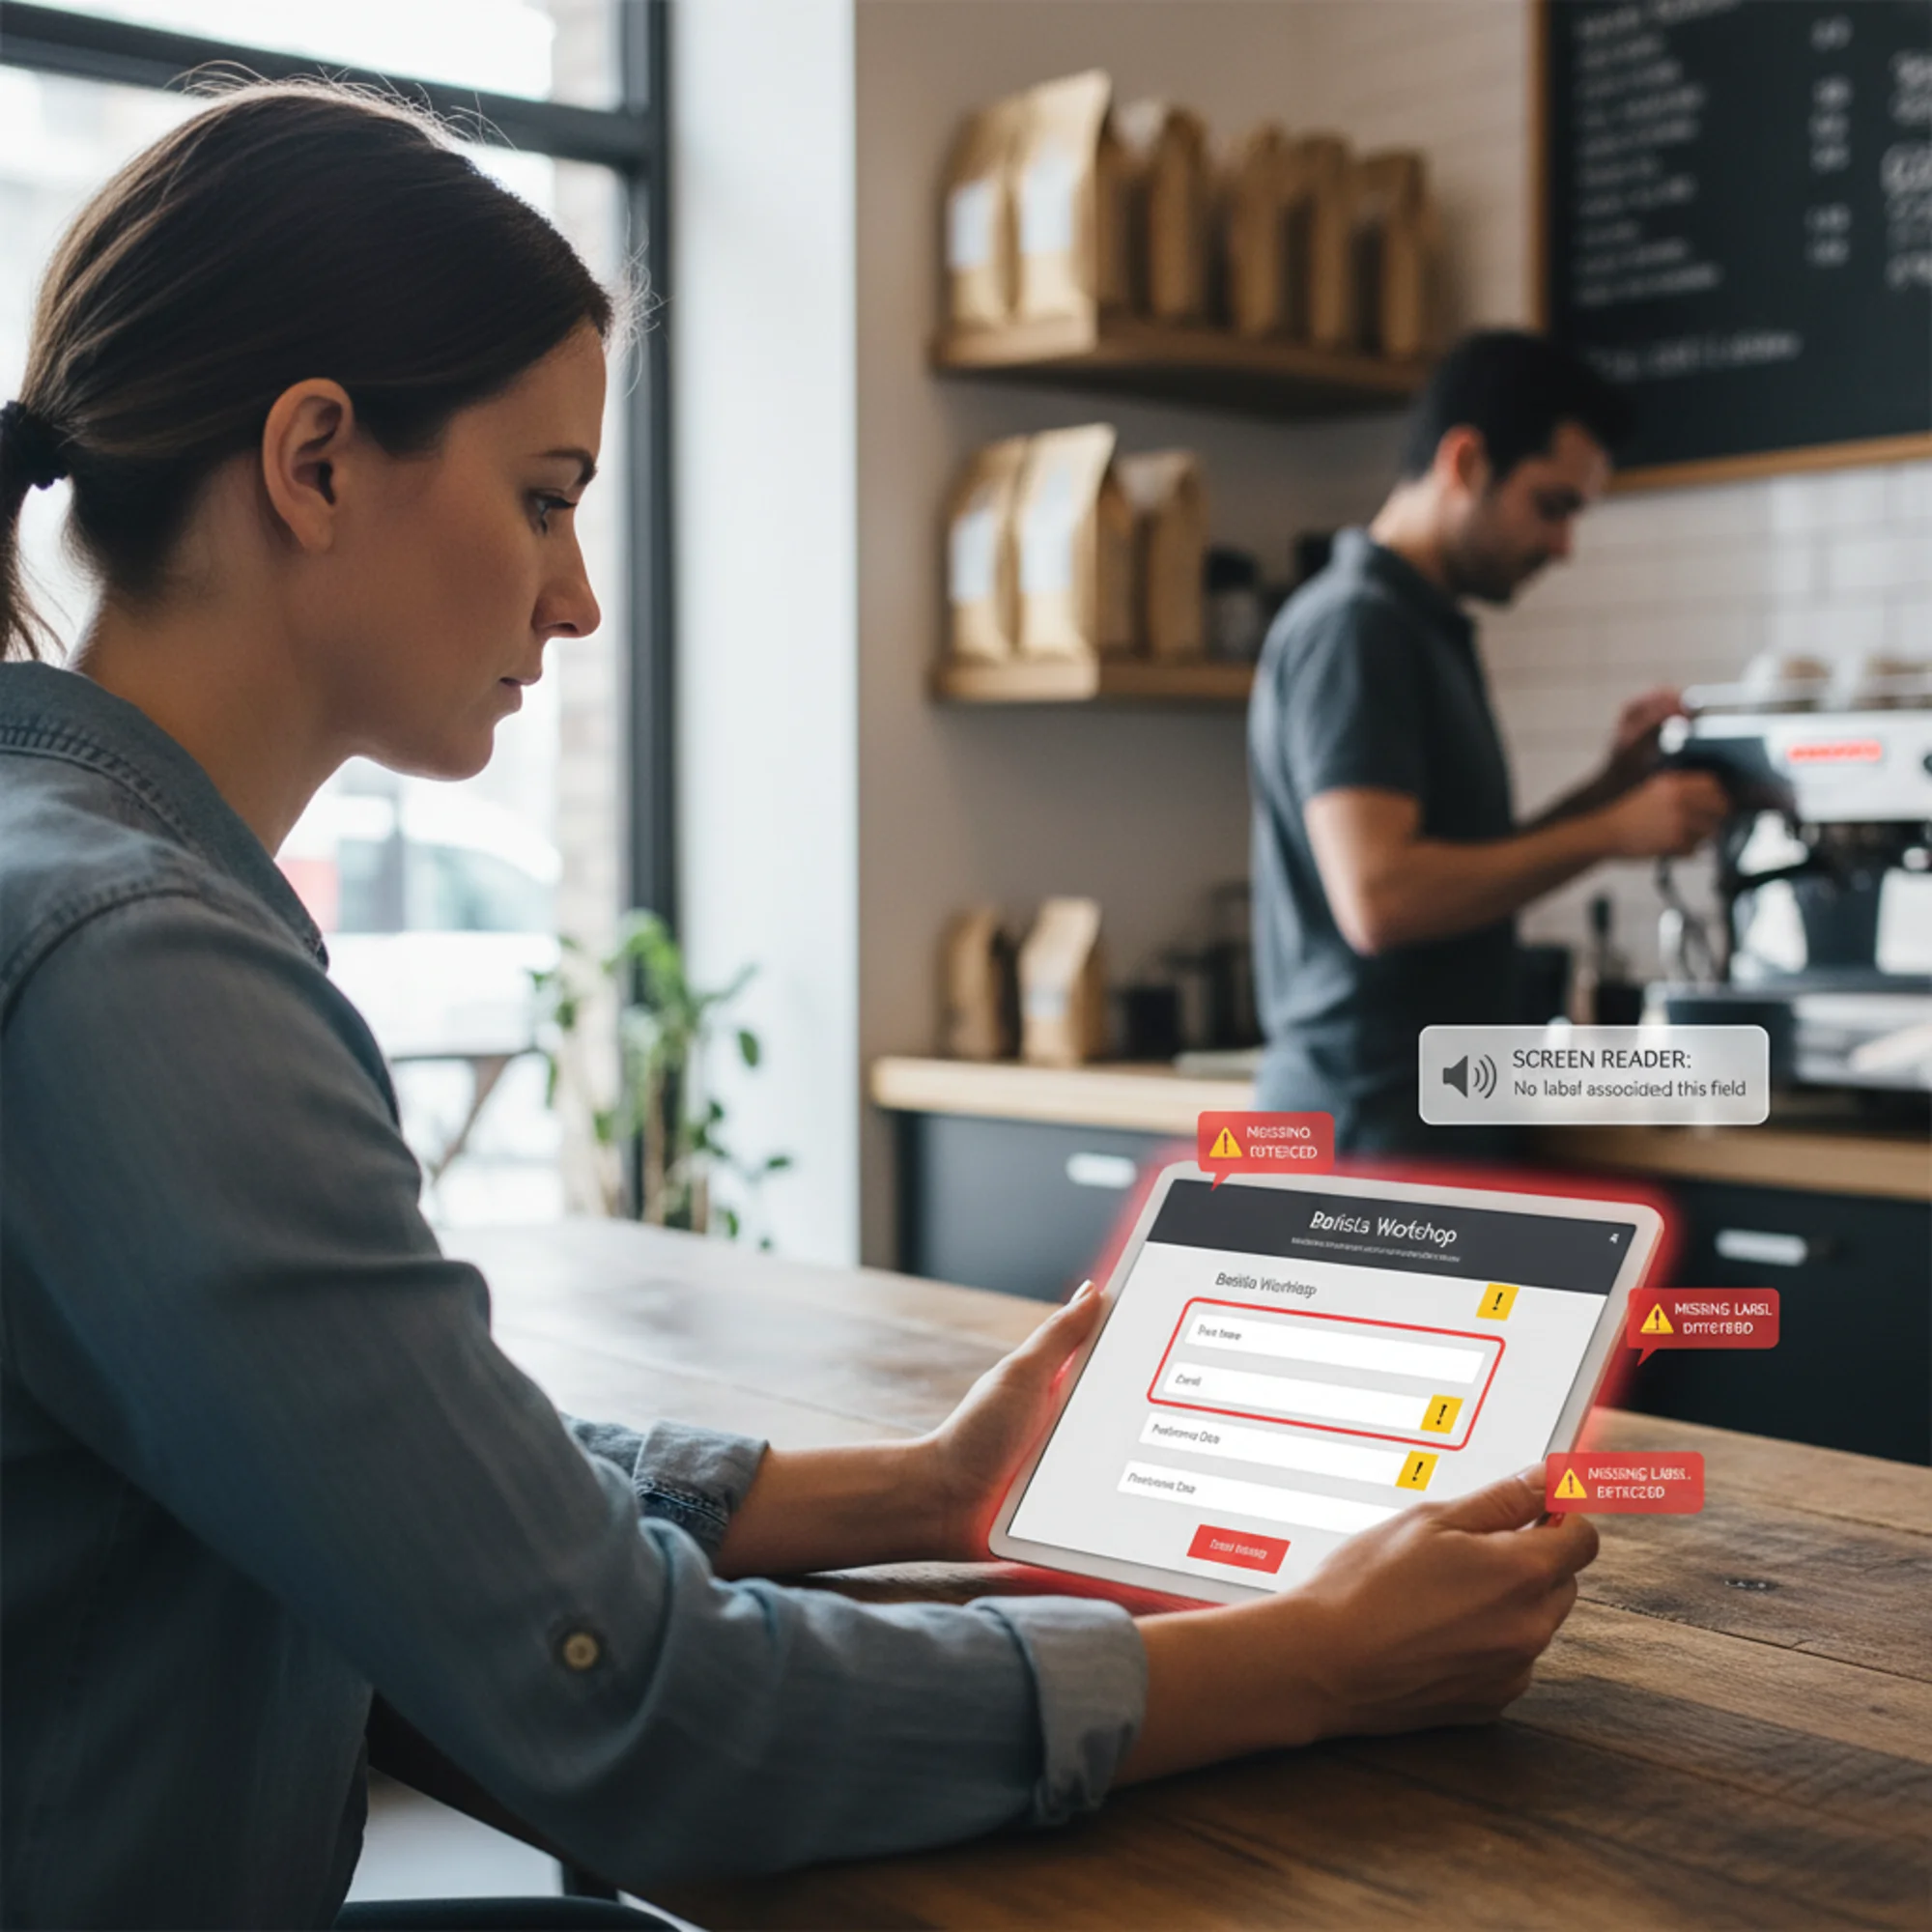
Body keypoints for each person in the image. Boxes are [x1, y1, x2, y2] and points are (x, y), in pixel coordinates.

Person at [0, 89, 1599, 1931]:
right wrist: (1311, 1659)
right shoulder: (140, 966)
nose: (581, 600)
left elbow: (389, 1457)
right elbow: (644, 1708)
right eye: (544, 501)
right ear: (315, 462)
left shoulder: (86, 888)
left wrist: (914, 1491)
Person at [1248, 330, 1731, 1153]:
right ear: (1466, 461)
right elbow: (1382, 897)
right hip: (1370, 1123)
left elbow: (1457, 865)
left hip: (1430, 1099)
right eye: (1552, 505)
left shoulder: (1419, 627)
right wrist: (1614, 833)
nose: (1562, 546)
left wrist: (1610, 790)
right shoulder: (1358, 626)